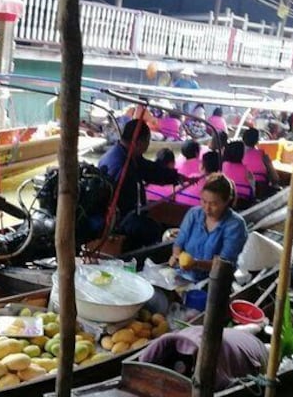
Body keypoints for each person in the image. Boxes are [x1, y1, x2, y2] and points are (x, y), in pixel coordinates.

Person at [98, 119, 190, 249]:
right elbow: (126, 208)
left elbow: (149, 170)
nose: (148, 144)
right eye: (148, 141)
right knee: (155, 232)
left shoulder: (128, 155)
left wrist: (176, 177)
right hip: (119, 221)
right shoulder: (122, 166)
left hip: (127, 214)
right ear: (138, 142)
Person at [168, 174, 249, 282]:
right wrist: (176, 256)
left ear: (227, 201)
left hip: (214, 281)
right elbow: (179, 243)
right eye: (204, 201)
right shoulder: (194, 214)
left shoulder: (235, 225)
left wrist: (196, 263)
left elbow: (224, 265)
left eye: (213, 204)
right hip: (184, 274)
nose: (206, 208)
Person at [138, 325, 267, 390]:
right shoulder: (166, 344)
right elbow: (141, 365)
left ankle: (257, 328)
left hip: (252, 351)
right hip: (226, 336)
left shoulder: (215, 372)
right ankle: (252, 328)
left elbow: (226, 384)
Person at [241, 128, 279, 199]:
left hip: (242, 190)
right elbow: (275, 178)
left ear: (243, 139)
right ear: (257, 141)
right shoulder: (263, 156)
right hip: (260, 190)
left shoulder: (237, 155)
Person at [220, 140, 254, 208]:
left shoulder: (222, 166)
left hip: (225, 199)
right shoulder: (247, 170)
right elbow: (253, 190)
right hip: (244, 202)